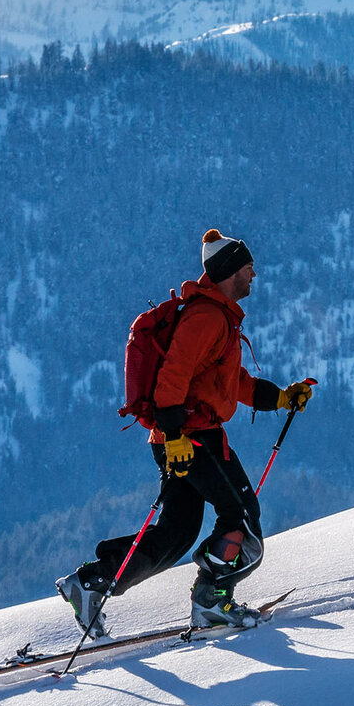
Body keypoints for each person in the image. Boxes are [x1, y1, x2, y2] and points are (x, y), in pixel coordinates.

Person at [58, 228, 314, 636]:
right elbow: (172, 379)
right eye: (249, 267)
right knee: (242, 515)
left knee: (175, 534)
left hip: (181, 437)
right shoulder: (207, 318)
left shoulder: (217, 317)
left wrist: (282, 397)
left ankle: (90, 583)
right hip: (192, 437)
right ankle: (212, 599)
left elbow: (231, 383)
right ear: (231, 270)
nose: (255, 275)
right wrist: (177, 435)